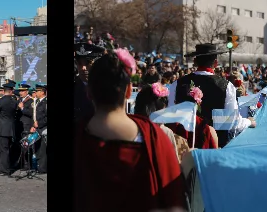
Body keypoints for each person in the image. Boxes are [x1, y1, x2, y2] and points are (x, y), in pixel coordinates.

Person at [73, 52, 185, 212]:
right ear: (128, 91)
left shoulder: (78, 138)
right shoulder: (155, 137)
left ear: (89, 92)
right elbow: (174, 198)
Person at [176, 43, 252, 147]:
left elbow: (173, 116)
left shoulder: (178, 83)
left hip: (183, 146)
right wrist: (248, 122)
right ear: (216, 63)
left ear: (195, 62)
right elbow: (232, 122)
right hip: (214, 147)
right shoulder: (226, 86)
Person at [0, 80, 20, 176]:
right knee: (7, 148)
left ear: (4, 91)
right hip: (10, 128)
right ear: (11, 91)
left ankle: (5, 169)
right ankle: (6, 167)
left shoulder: (1, 101)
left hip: (2, 128)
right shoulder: (14, 101)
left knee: (2, 149)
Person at [31, 85, 47, 173]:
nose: (36, 93)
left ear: (42, 92)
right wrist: (33, 126)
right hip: (37, 128)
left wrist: (39, 123)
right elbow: (34, 116)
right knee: (36, 148)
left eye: (37, 91)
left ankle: (42, 168)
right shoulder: (37, 101)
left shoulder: (45, 102)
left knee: (42, 149)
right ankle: (38, 166)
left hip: (43, 128)